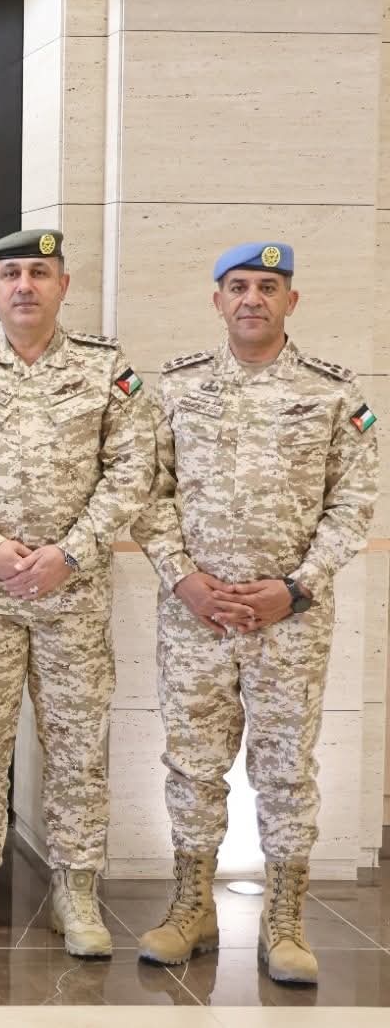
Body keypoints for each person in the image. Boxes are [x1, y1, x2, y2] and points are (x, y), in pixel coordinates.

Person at [130, 241, 377, 985]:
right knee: (193, 765)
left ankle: (285, 922)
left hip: (289, 624)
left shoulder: (333, 392)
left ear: (291, 301)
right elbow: (148, 490)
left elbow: (353, 505)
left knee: (286, 769)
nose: (252, 299)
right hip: (195, 619)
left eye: (268, 287)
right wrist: (184, 580)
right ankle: (190, 909)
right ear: (217, 301)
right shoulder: (177, 387)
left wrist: (294, 588)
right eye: (238, 287)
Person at [0, 228, 153, 957]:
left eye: (40, 274)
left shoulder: (106, 370)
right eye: (11, 274)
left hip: (71, 596)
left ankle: (76, 891)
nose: (25, 286)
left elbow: (132, 471)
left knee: (78, 746)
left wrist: (69, 553)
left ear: (63, 286)